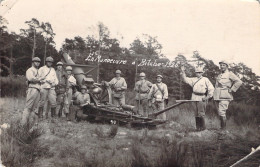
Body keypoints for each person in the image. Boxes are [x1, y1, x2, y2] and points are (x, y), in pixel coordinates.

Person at [180, 65, 214, 131]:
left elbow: (211, 88)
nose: (198, 74)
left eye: (199, 72)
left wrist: (208, 97)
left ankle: (203, 129)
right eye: (197, 72)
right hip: (194, 97)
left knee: (201, 113)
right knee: (196, 113)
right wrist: (183, 71)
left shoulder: (205, 79)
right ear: (195, 73)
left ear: (202, 73)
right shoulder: (193, 79)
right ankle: (198, 128)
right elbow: (185, 79)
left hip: (202, 97)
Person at [213, 60, 242, 129]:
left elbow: (239, 82)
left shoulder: (230, 74)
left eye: (223, 65)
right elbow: (216, 86)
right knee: (219, 112)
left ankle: (223, 130)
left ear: (227, 66)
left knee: (222, 111)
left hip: (225, 95)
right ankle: (222, 128)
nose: (222, 66)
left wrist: (232, 89)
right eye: (221, 65)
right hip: (217, 95)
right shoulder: (219, 75)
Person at [21, 57, 42, 125]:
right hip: (32, 88)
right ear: (33, 62)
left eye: (38, 62)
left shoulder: (38, 71)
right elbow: (31, 79)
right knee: (28, 107)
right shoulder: (30, 70)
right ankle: (23, 124)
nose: (37, 63)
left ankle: (31, 124)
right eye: (36, 62)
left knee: (35, 108)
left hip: (38, 89)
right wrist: (40, 79)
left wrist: (40, 79)